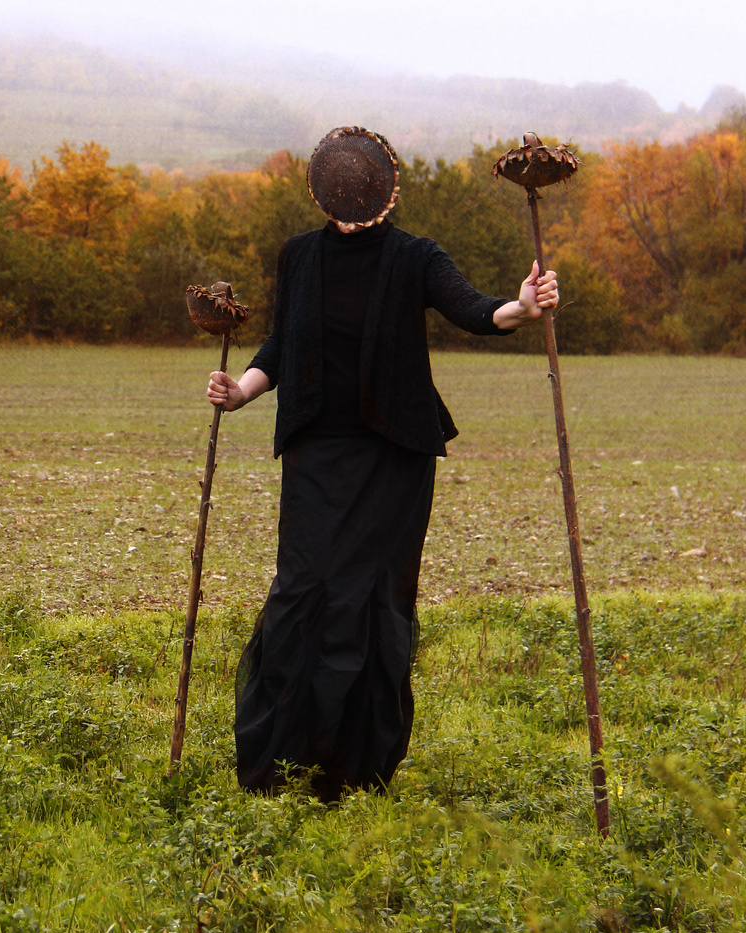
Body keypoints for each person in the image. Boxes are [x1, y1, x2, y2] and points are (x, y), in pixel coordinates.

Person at [206, 126, 558, 801]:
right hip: (313, 454)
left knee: (371, 597)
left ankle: (356, 768)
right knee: (302, 592)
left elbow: (476, 312)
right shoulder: (299, 258)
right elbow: (279, 345)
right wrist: (240, 391)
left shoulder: (415, 258)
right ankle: (282, 764)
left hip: (393, 457)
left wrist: (523, 305)